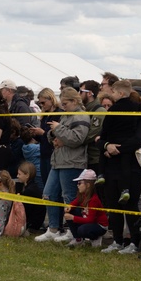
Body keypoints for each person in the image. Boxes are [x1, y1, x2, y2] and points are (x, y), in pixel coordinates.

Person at [98, 80, 141, 254]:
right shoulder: (112, 111)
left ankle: (134, 242)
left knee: (131, 203)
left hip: (132, 164)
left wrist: (116, 149)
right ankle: (117, 240)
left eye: (112, 91)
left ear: (120, 93)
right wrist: (107, 147)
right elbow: (102, 136)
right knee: (113, 203)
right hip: (111, 164)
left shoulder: (140, 112)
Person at [34, 88, 90, 242]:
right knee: (49, 193)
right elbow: (54, 133)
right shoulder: (66, 115)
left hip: (73, 161)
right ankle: (53, 228)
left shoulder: (81, 116)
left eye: (65, 103)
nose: (63, 106)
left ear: (74, 101)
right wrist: (54, 136)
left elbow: (77, 139)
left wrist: (58, 130)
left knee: (70, 198)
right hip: (58, 160)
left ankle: (74, 232)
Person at [62, 169, 108, 247]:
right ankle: (78, 239)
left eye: (79, 183)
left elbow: (91, 220)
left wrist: (73, 218)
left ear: (88, 185)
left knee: (82, 230)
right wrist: (69, 207)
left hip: (99, 225)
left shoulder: (94, 200)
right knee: (69, 213)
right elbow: (76, 201)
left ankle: (95, 237)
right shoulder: (83, 195)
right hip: (89, 221)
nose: (77, 185)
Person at [15, 161, 46, 234]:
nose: (17, 176)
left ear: (27, 175)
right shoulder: (30, 187)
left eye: (19, 174)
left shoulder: (30, 190)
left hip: (33, 223)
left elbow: (26, 210)